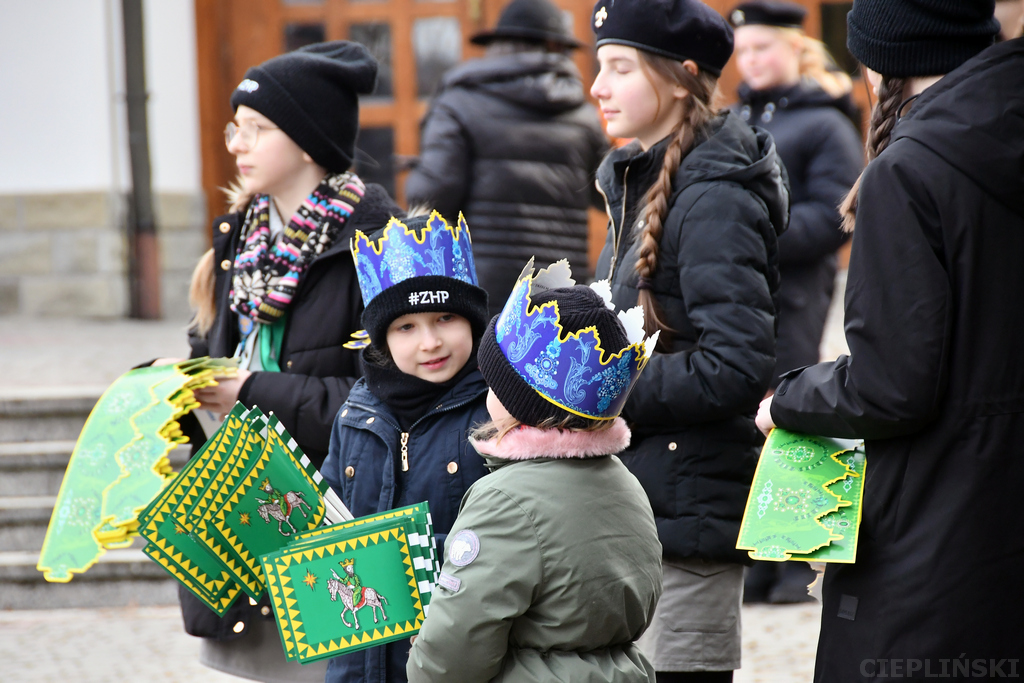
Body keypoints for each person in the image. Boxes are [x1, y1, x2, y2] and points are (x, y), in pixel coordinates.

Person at [754, 1, 1024, 679]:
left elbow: (891, 383)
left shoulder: (907, 171)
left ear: (879, 65)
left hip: (937, 545)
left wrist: (788, 399)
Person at [170, 41, 403, 683]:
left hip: (333, 524)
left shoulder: (377, 244)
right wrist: (175, 396)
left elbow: (387, 401)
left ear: (307, 142)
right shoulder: (237, 242)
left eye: (257, 129)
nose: (236, 144)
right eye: (233, 128)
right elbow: (209, 356)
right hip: (239, 522)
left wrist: (252, 389)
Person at [589, 0, 789, 680]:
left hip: (689, 515)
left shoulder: (714, 195)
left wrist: (602, 389)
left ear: (679, 78)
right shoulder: (640, 177)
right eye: (598, 66)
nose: (597, 86)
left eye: (619, 67)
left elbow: (734, 364)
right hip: (642, 508)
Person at [407, 265, 663, 682]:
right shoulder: (624, 481)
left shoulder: (504, 501)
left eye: (494, 384)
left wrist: (423, 667)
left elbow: (457, 647)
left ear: (513, 401)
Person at [729, 0, 864, 605]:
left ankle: (798, 559)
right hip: (741, 292)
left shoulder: (824, 122)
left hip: (798, 289)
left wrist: (755, 235)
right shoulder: (736, 115)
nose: (751, 60)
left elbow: (837, 214)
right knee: (744, 415)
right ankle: (759, 557)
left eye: (762, 48)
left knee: (790, 408)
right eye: (744, 50)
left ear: (796, 47)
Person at [321, 212, 492, 683]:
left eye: (445, 318)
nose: (430, 342)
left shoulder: (496, 415)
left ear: (473, 321)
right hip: (359, 662)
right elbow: (326, 519)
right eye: (406, 328)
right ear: (381, 337)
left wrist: (403, 561)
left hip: (454, 659)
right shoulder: (356, 414)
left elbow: (514, 543)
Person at [404, 0, 609, 316]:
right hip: (560, 293)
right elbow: (609, 195)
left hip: (482, 292)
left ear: (498, 46)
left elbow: (430, 198)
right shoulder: (584, 116)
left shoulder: (457, 103)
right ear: (556, 48)